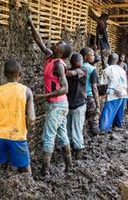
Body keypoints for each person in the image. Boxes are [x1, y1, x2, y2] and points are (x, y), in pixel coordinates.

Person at [27, 16, 73, 175]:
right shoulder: (49, 56)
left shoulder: (59, 65)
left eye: (58, 44)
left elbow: (65, 88)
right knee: (62, 135)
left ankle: (44, 171)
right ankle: (69, 166)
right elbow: (39, 40)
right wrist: (31, 22)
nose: (55, 43)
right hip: (58, 105)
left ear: (61, 52)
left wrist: (41, 96)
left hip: (57, 104)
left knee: (48, 136)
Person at [0, 59, 35, 175]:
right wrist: (26, 131)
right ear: (20, 74)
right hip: (17, 136)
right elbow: (31, 118)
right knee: (25, 171)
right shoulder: (26, 91)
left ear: (4, 74)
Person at [66, 53, 87, 159]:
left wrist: (62, 72)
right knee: (69, 130)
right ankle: (72, 149)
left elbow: (71, 73)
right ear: (75, 62)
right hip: (69, 105)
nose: (82, 62)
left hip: (79, 105)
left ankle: (79, 150)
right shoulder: (69, 71)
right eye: (81, 60)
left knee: (77, 130)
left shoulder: (83, 70)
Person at [99, 53, 127, 132]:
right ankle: (117, 126)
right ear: (117, 60)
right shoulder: (122, 70)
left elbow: (103, 85)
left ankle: (103, 129)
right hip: (124, 93)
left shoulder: (107, 70)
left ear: (108, 59)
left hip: (114, 94)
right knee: (119, 112)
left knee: (108, 112)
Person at [80, 47, 101, 136]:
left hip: (79, 97)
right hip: (89, 97)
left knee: (81, 119)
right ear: (85, 57)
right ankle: (95, 134)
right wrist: (98, 105)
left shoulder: (78, 66)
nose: (94, 56)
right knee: (94, 119)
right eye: (92, 55)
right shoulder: (92, 69)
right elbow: (94, 88)